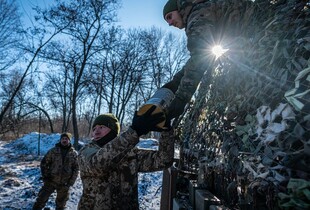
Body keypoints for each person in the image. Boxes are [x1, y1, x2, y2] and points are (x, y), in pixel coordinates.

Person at [162, 0, 254, 120]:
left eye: (170, 17)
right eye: (166, 20)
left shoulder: (197, 16)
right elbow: (197, 60)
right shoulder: (199, 10)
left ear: (179, 9)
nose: (169, 23)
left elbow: (200, 58)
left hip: (265, 25)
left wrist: (180, 100)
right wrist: (176, 82)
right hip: (257, 30)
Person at [78, 106, 175, 210]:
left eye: (101, 127)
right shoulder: (86, 151)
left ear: (113, 130)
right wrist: (134, 132)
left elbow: (163, 160)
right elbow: (97, 164)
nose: (96, 132)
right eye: (94, 129)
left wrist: (167, 130)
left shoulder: (130, 154)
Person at [33, 132, 79, 210]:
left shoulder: (74, 154)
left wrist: (70, 182)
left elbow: (76, 168)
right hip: (51, 181)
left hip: (64, 184)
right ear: (60, 140)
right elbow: (44, 163)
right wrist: (46, 177)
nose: (64, 140)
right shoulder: (53, 151)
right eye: (63, 139)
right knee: (40, 200)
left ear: (69, 140)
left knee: (61, 205)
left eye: (66, 139)